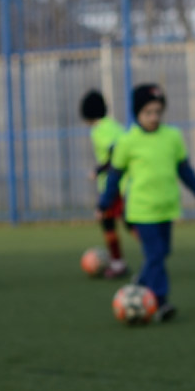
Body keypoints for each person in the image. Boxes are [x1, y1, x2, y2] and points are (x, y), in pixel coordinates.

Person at [103, 83, 195, 321]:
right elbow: (114, 176)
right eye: (147, 112)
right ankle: (159, 302)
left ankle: (140, 282)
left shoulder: (172, 137)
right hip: (141, 211)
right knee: (155, 255)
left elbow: (184, 169)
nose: (153, 117)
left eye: (157, 112)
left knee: (163, 252)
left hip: (166, 208)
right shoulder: (127, 141)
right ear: (137, 113)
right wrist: (104, 203)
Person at [80, 89, 129, 277]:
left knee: (108, 222)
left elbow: (116, 151)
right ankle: (150, 257)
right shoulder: (115, 125)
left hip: (112, 185)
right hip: (126, 183)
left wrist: (98, 170)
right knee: (129, 222)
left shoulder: (99, 130)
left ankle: (118, 264)